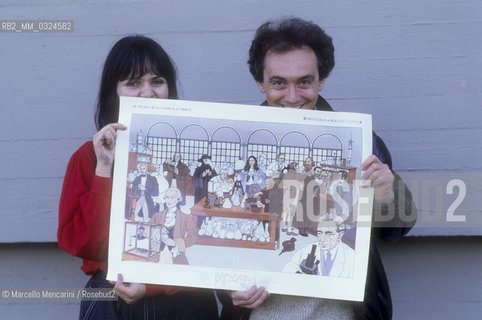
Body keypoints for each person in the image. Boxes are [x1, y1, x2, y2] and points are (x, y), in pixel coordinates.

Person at [223, 17, 417, 320]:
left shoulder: (361, 143)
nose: (291, 97)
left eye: (304, 81)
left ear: (321, 80)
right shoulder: (236, 143)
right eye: (278, 83)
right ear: (260, 83)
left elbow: (396, 229)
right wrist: (228, 287)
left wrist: (386, 193)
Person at [58, 35, 218, 319]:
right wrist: (104, 170)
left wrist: (155, 285)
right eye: (133, 83)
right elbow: (83, 243)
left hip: (186, 299)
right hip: (114, 300)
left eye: (157, 81)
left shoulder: (189, 159)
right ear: (113, 92)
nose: (147, 93)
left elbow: (201, 239)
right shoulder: (89, 156)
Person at [283, 216, 354, 277]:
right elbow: (289, 268)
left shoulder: (351, 256)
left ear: (340, 235)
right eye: (319, 233)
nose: (322, 239)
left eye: (329, 233)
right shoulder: (309, 249)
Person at [149, 188, 198, 265]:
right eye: (167, 197)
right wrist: (161, 237)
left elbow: (193, 238)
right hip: (156, 254)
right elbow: (148, 230)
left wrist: (177, 243)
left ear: (178, 200)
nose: (169, 200)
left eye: (172, 198)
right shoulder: (157, 216)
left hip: (176, 256)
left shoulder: (185, 217)